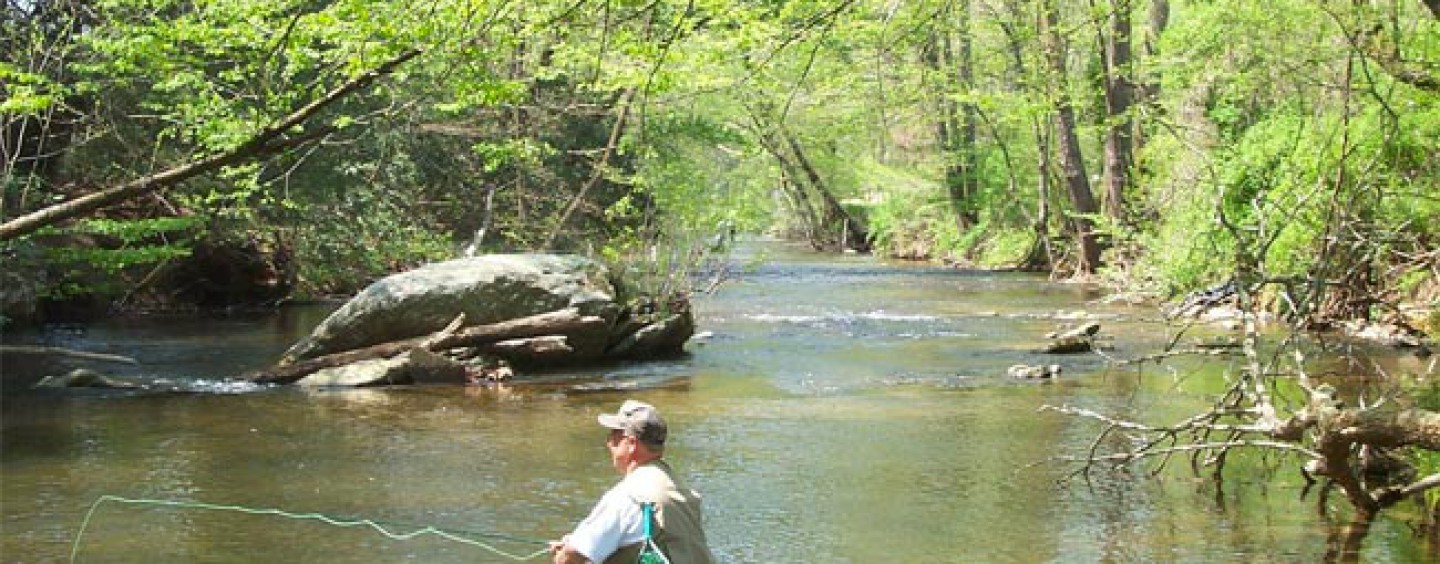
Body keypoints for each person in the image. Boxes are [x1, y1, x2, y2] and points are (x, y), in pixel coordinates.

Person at [550, 400, 715, 564]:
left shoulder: (627, 496)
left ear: (631, 444)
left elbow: (570, 557)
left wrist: (564, 553)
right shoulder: (679, 489)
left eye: (614, 436)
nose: (608, 443)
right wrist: (575, 543)